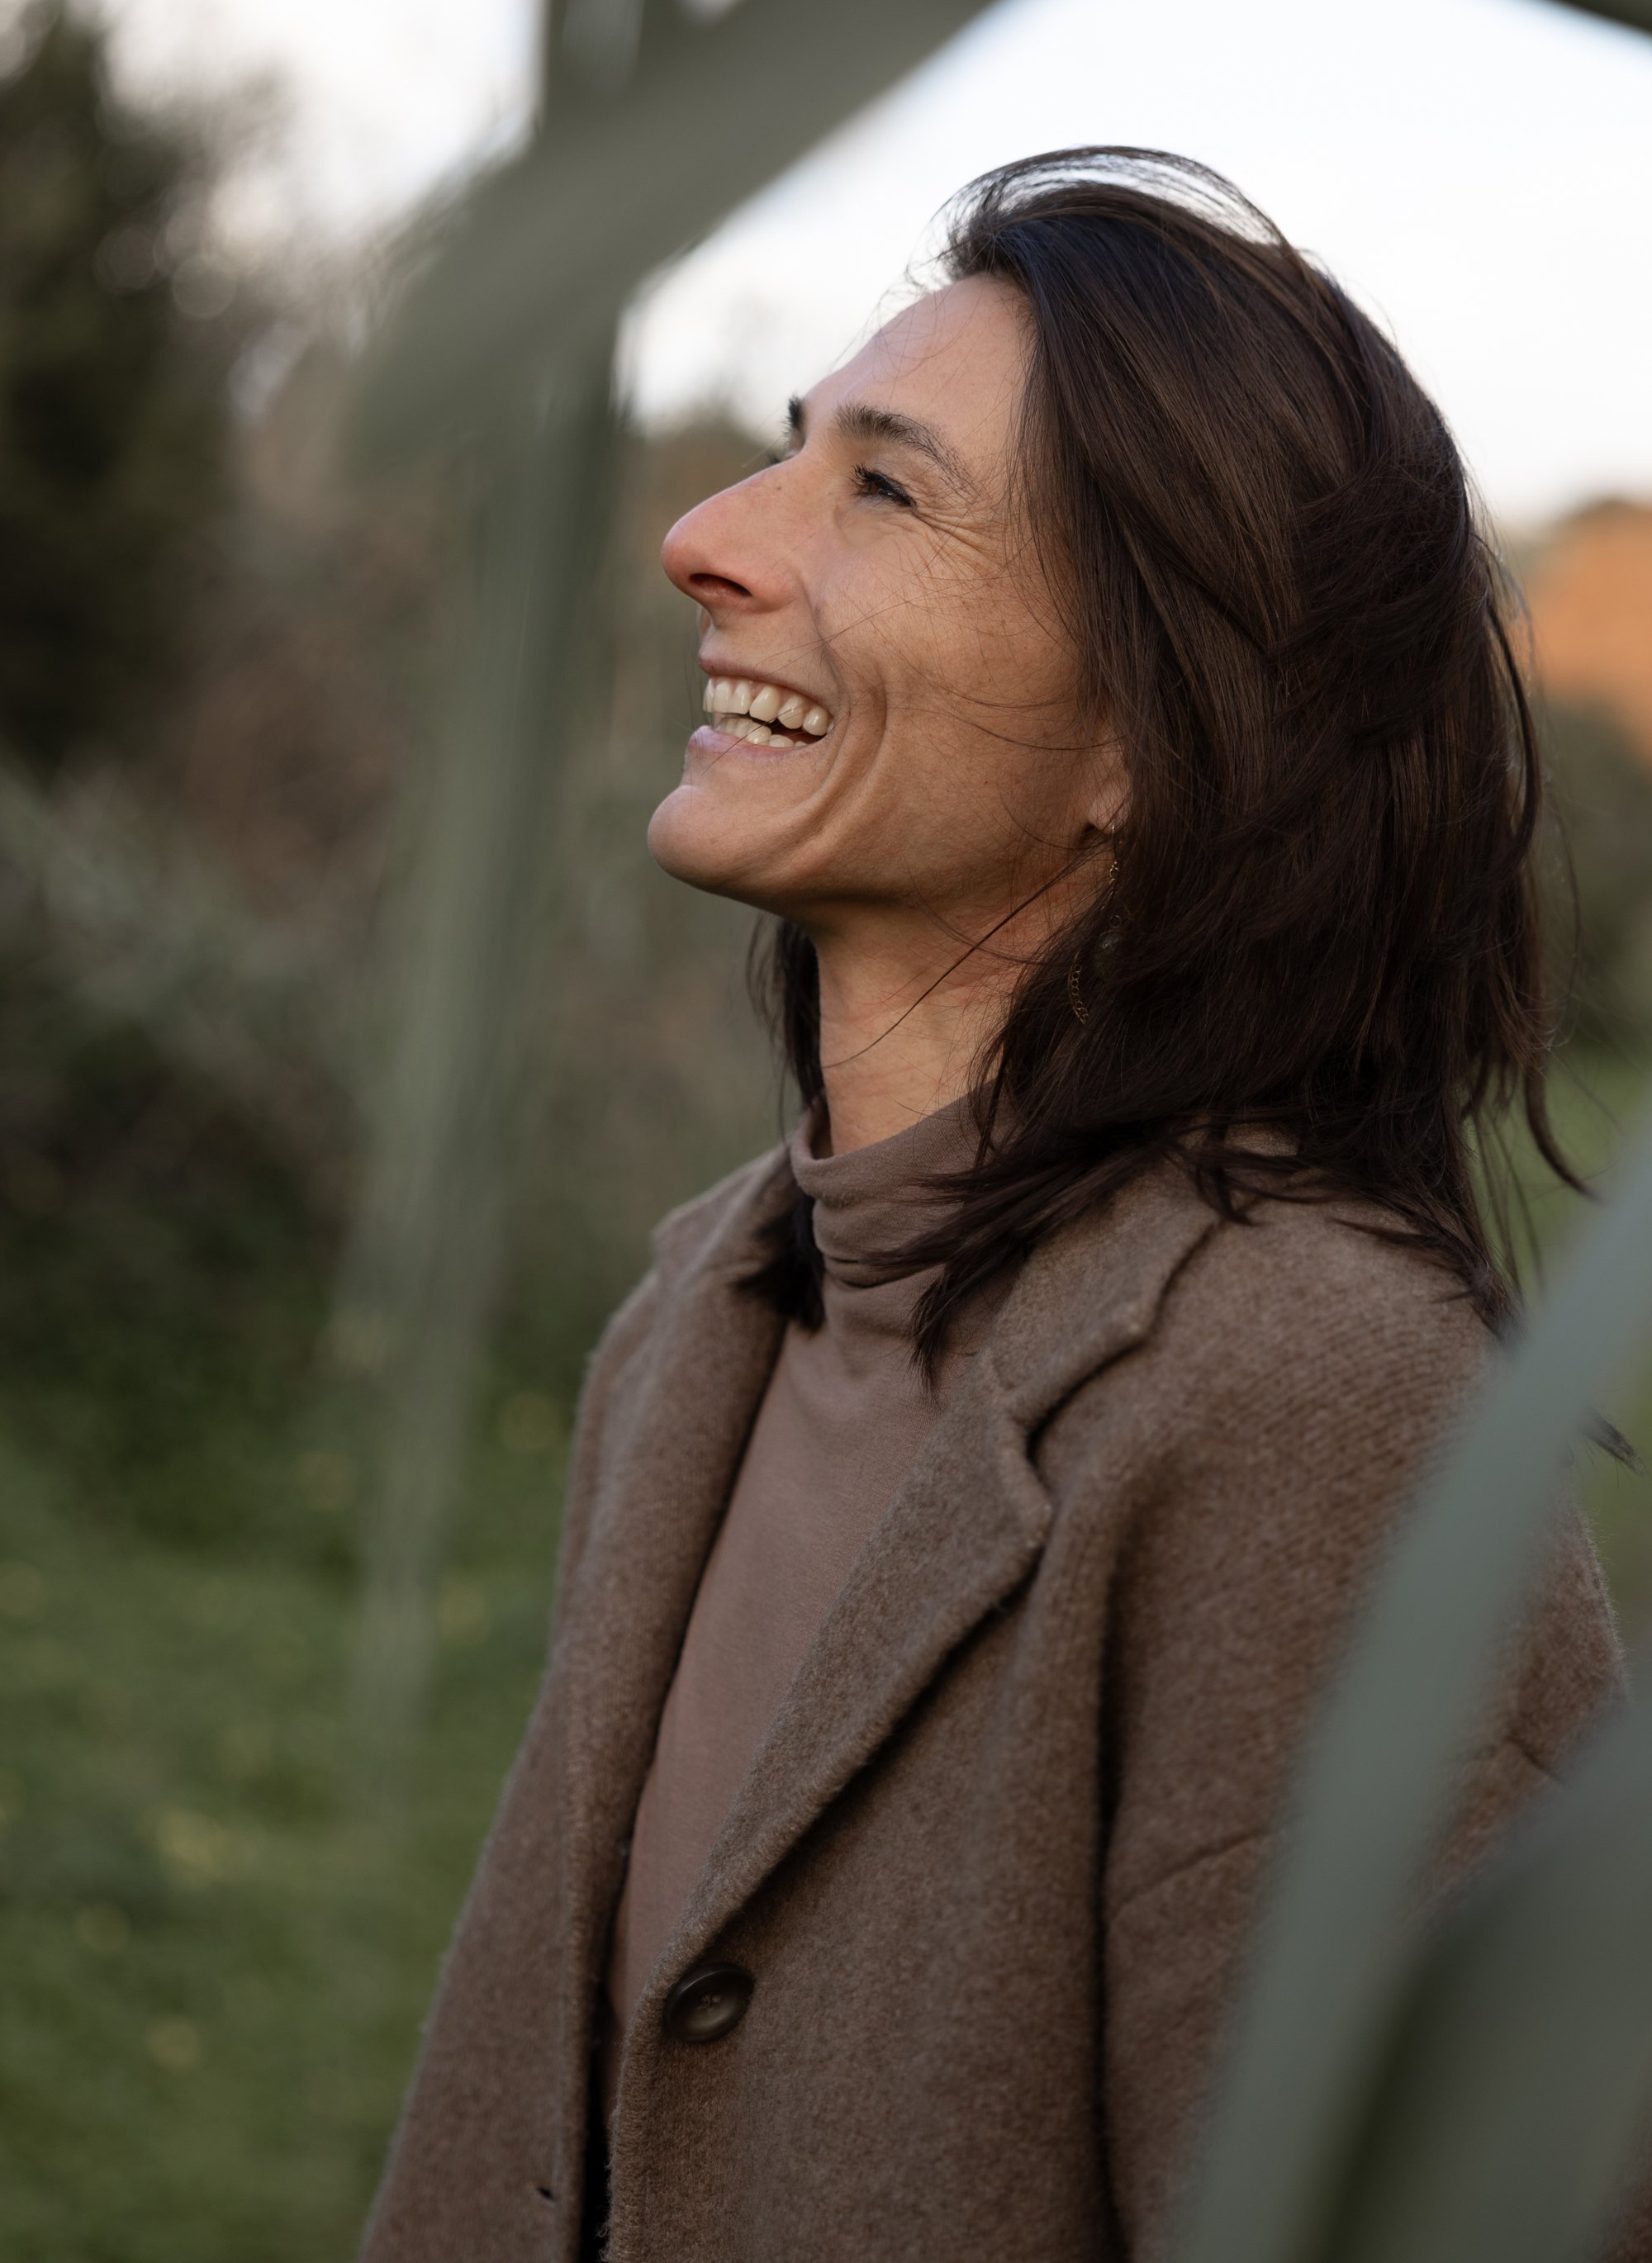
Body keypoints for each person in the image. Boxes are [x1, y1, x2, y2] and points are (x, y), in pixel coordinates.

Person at [359, 151, 1626, 2263]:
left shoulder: (1318, 1406)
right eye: (785, 456)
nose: (700, 541)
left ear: (1150, 719)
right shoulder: (697, 1309)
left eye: (884, 491)